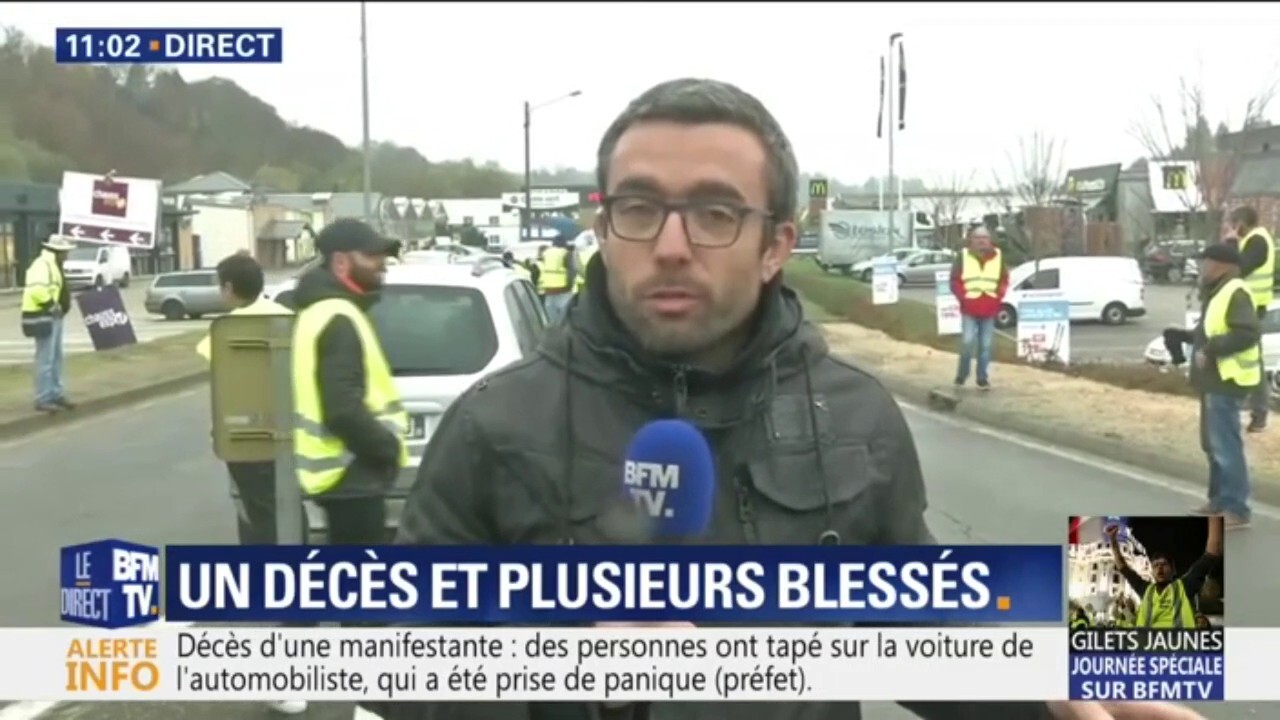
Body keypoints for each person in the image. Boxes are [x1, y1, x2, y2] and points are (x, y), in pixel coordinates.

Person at [363, 78, 1204, 720]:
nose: (671, 245)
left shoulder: (859, 414)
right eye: (639, 207)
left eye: (716, 213)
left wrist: (1040, 683)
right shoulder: (494, 425)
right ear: (603, 225)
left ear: (777, 246)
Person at [193, 252, 303, 716]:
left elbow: (216, 374)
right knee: (289, 534)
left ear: (228, 289)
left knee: (263, 543)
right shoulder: (291, 320)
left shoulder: (227, 331)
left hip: (248, 446)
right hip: (295, 444)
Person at [291, 218, 408, 549]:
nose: (381, 265)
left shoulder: (322, 311)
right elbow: (341, 409)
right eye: (371, 256)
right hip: (351, 476)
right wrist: (386, 449)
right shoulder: (338, 316)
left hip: (343, 477)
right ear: (341, 262)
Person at [1187, 243, 1260, 527]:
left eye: (1206, 262)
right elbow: (1211, 330)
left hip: (1227, 380)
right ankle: (1217, 500)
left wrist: (1212, 349)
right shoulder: (1217, 291)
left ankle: (1237, 508)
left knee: (1226, 446)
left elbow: (1247, 333)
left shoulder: (1235, 291)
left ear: (1222, 265)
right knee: (1213, 445)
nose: (1203, 267)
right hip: (1212, 380)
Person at [1105, 518, 1222, 628]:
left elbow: (1213, 551)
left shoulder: (1184, 587)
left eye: (1164, 564)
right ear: (1152, 571)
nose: (1159, 568)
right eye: (1155, 565)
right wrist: (1113, 539)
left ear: (1173, 571)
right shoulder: (1145, 590)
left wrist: (1214, 513)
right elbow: (1122, 567)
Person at [1227, 206, 1274, 432]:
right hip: (1249, 307)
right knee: (1245, 358)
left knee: (1252, 360)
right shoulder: (1257, 239)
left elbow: (1239, 269)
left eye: (1233, 223)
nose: (1231, 228)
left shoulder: (1256, 241)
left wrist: (1231, 243)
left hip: (1252, 308)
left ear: (1241, 223)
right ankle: (1247, 406)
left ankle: (1259, 412)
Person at [21, 235, 76, 413]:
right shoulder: (42, 265)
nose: (68, 255)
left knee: (56, 358)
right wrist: (52, 305)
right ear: (57, 251)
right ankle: (43, 397)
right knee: (45, 358)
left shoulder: (53, 265)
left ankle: (55, 393)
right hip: (44, 315)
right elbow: (37, 289)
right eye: (66, 252)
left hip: (54, 316)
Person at [950, 226, 1008, 390]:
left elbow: (1003, 279)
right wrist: (963, 298)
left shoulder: (998, 256)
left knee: (986, 346)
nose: (981, 241)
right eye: (977, 237)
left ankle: (982, 378)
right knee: (967, 343)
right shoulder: (963, 256)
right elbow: (955, 281)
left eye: (985, 238)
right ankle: (961, 376)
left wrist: (998, 297)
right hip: (969, 307)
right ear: (971, 240)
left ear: (989, 240)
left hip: (989, 307)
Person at [536, 218, 579, 323]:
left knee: (551, 317)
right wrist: (570, 284)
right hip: (563, 288)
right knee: (565, 317)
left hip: (548, 288)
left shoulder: (546, 253)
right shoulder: (566, 253)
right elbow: (572, 270)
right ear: (564, 243)